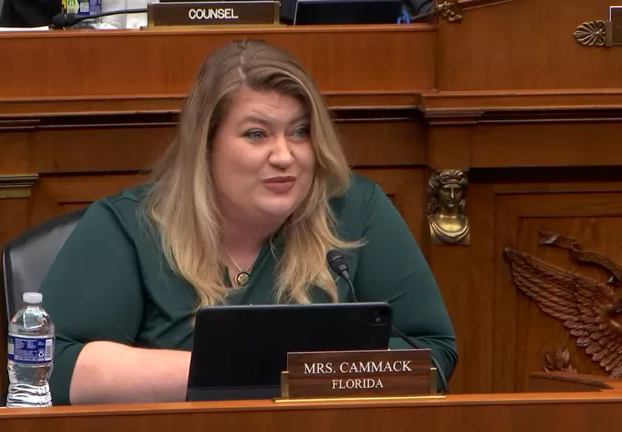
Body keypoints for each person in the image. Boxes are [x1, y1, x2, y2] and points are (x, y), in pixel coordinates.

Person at [39, 39, 458, 406]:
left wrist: (291, 374)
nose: (285, 155)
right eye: (257, 134)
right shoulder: (130, 227)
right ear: (206, 144)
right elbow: (46, 366)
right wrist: (255, 370)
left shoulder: (354, 211)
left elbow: (432, 354)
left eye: (300, 132)